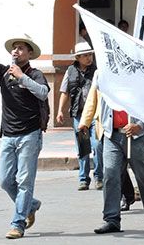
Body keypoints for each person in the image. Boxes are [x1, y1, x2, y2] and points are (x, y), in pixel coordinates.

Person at [0, 34, 49, 239]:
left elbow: (43, 92)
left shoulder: (35, 74)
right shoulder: (2, 72)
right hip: (8, 135)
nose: (16, 51)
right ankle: (31, 205)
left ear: (29, 53)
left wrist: (22, 77)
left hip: (30, 134)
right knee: (4, 179)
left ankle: (18, 223)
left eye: (21, 48)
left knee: (24, 181)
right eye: (14, 48)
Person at [79, 77, 144, 234]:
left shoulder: (139, 72)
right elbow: (92, 97)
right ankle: (111, 219)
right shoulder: (103, 70)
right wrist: (85, 121)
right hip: (111, 133)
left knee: (142, 174)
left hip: (137, 135)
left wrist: (140, 125)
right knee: (110, 174)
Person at [56, 42, 102, 191]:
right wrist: (60, 111)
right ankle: (83, 179)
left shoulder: (97, 70)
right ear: (78, 57)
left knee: (97, 145)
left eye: (90, 55)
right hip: (78, 115)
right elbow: (65, 92)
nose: (89, 58)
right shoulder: (70, 71)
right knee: (83, 147)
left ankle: (99, 177)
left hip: (95, 115)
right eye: (86, 55)